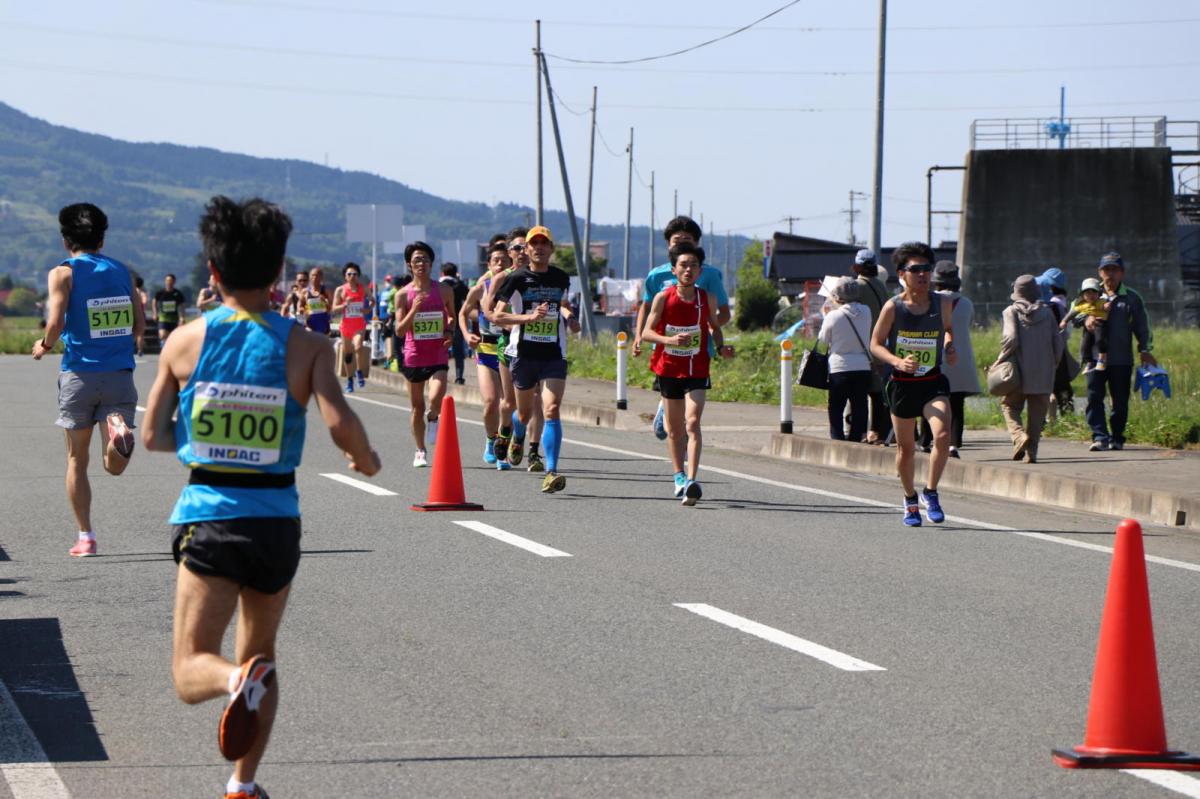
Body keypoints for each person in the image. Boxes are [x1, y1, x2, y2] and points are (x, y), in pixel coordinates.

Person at [143, 196, 379, 799]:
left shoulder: (183, 342)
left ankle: (231, 682)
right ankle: (242, 784)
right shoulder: (308, 347)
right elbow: (339, 420)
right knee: (262, 656)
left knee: (192, 667)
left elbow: (152, 436)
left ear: (212, 270)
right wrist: (364, 458)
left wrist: (199, 438)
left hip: (211, 517)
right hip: (276, 523)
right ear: (278, 271)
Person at [33, 202, 145, 557]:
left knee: (76, 460)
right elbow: (139, 325)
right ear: (102, 238)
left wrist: (43, 345)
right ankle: (118, 431)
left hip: (79, 374)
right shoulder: (122, 271)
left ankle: (86, 537)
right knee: (113, 466)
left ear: (66, 240)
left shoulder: (62, 273)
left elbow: (55, 323)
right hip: (119, 374)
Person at [869, 241, 957, 527]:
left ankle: (931, 492)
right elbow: (875, 344)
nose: (923, 274)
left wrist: (949, 345)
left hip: (932, 381)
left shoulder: (943, 303)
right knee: (905, 449)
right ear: (901, 274)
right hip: (903, 384)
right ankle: (909, 499)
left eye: (927, 269)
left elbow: (947, 330)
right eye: (916, 269)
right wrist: (897, 361)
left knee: (942, 435)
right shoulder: (893, 307)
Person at [491, 225, 581, 493]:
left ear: (551, 249)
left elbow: (562, 304)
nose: (539, 248)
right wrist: (528, 318)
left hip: (553, 354)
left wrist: (570, 317)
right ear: (527, 249)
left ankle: (551, 471)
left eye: (544, 243)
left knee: (551, 408)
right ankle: (514, 433)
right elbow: (497, 315)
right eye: (534, 244)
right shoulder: (517, 278)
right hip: (524, 354)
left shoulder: (560, 278)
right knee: (525, 412)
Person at [634, 216, 732, 440]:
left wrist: (709, 329)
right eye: (676, 241)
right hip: (666, 352)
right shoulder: (656, 275)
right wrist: (639, 336)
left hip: (698, 352)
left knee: (691, 417)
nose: (680, 245)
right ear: (668, 244)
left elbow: (723, 313)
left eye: (687, 240)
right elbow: (646, 307)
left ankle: (685, 448)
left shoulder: (709, 274)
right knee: (674, 423)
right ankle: (669, 419)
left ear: (696, 243)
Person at [642, 242, 722, 505]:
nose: (689, 270)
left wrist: (722, 346)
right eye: (683, 265)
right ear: (674, 270)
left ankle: (692, 480)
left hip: (697, 368)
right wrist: (669, 340)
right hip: (669, 368)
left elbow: (714, 326)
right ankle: (678, 475)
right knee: (675, 430)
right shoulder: (663, 298)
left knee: (693, 422)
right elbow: (646, 333)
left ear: (700, 271)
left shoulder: (707, 298)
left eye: (693, 265)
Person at [1083, 251, 1156, 451]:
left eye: (1114, 270)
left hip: (1121, 359)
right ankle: (1100, 436)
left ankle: (1117, 437)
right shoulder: (1090, 293)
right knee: (1094, 397)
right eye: (1106, 270)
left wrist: (1145, 349)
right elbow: (1074, 312)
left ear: (1122, 273)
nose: (1110, 274)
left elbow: (1142, 326)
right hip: (1094, 358)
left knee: (1120, 401)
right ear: (1100, 272)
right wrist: (1086, 319)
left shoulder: (1131, 298)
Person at [991, 275, 1063, 464]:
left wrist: (999, 360)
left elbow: (1011, 338)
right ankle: (1032, 453)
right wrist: (1053, 363)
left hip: (1018, 372)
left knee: (1010, 406)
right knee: (1037, 416)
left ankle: (1018, 436)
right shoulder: (1047, 313)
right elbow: (1058, 342)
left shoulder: (1010, 311)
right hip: (1043, 372)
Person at [394, 241, 455, 467]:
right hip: (414, 354)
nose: (421, 263)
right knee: (417, 406)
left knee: (436, 398)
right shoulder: (403, 295)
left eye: (425, 259)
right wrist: (414, 309)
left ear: (431, 264)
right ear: (409, 265)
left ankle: (434, 416)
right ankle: (420, 450)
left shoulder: (444, 290)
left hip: (438, 352)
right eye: (417, 260)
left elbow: (452, 316)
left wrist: (450, 331)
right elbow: (400, 330)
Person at [920, 262, 979, 457]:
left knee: (929, 400)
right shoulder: (967, 303)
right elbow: (968, 323)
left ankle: (925, 440)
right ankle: (954, 444)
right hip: (960, 358)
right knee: (956, 404)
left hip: (934, 357)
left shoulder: (930, 302)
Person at [460, 242, 511, 465]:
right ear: (489, 264)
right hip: (486, 351)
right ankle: (491, 440)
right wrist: (466, 334)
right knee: (491, 401)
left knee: (507, 405)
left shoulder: (518, 287)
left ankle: (503, 448)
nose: (500, 264)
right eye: (495, 260)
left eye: (504, 260)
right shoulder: (481, 288)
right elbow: (462, 313)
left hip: (510, 351)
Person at [818, 277, 872, 444]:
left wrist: (825, 315)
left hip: (839, 367)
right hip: (863, 365)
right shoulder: (866, 311)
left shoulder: (833, 316)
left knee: (836, 406)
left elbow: (823, 340)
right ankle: (856, 437)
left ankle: (838, 438)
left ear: (838, 296)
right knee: (860, 405)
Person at [851, 249, 893, 445]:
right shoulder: (880, 285)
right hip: (880, 343)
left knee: (859, 393)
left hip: (861, 345)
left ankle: (862, 431)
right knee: (877, 392)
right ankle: (878, 431)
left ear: (857, 266)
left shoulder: (857, 286)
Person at [331, 262, 373, 392]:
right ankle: (349, 380)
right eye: (349, 274)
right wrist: (345, 304)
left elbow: (373, 301)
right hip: (346, 326)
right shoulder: (340, 290)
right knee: (348, 355)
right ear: (345, 276)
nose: (352, 276)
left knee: (358, 347)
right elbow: (334, 309)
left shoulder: (363, 288)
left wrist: (368, 309)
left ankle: (359, 371)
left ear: (358, 275)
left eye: (355, 274)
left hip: (359, 325)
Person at [1061, 277, 1109, 372]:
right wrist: (1064, 321)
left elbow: (1105, 306)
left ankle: (1102, 358)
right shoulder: (1081, 305)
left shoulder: (1101, 301)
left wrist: (1107, 306)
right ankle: (1089, 362)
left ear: (1099, 294)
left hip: (1099, 323)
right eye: (1087, 293)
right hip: (1088, 329)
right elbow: (1072, 314)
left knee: (1100, 339)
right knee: (1085, 344)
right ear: (1082, 295)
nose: (1091, 295)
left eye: (1094, 292)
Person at [440, 262, 470, 385]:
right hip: (456, 322)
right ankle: (459, 377)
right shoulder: (459, 285)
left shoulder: (438, 286)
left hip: (440, 323)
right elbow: (469, 297)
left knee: (441, 351)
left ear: (442, 273)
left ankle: (441, 375)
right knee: (458, 352)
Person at [154, 272, 187, 343]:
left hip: (174, 319)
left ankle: (168, 347)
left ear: (174, 282)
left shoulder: (178, 294)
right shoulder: (160, 293)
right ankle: (163, 346)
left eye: (170, 281)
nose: (169, 282)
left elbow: (181, 306)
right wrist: (155, 313)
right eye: (167, 280)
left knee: (172, 337)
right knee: (162, 335)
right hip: (163, 318)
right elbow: (154, 301)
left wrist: (182, 317)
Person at [302, 267, 332, 336]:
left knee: (323, 342)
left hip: (323, 323)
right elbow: (300, 307)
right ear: (309, 277)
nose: (314, 277)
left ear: (321, 277)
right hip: (310, 324)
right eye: (312, 275)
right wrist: (303, 311)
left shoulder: (326, 291)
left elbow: (331, 308)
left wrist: (324, 301)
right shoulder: (305, 292)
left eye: (317, 275)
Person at [134, 275, 149, 356]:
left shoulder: (131, 292)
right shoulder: (142, 293)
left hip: (132, 314)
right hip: (140, 314)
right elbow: (144, 302)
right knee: (140, 333)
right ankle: (140, 350)